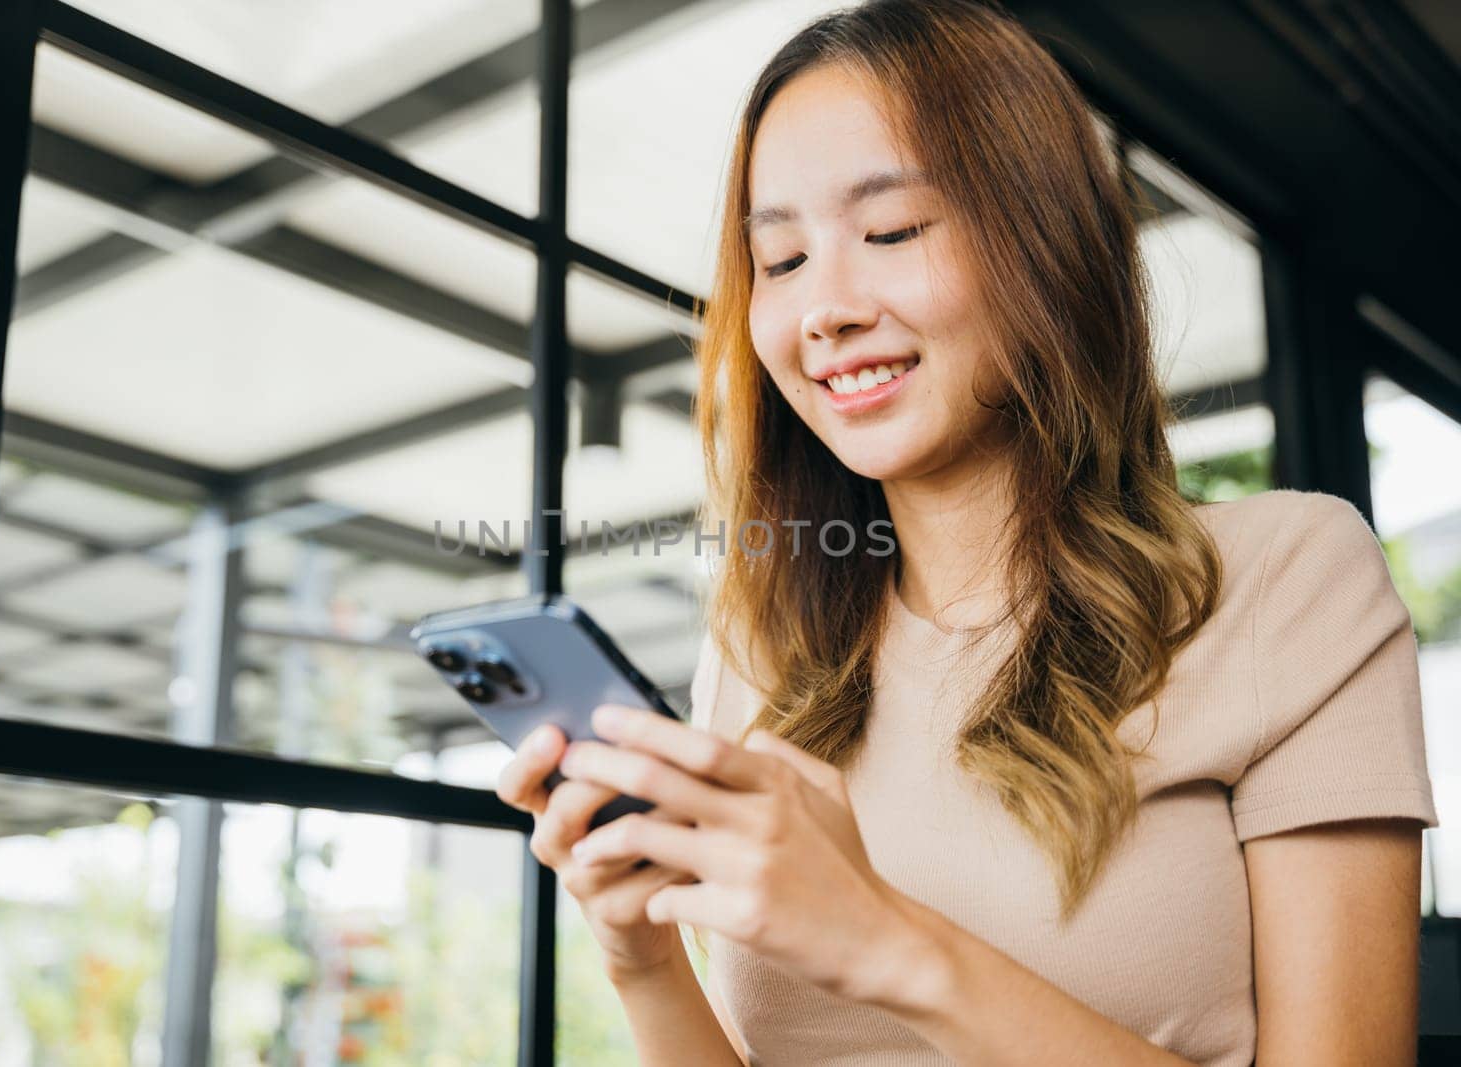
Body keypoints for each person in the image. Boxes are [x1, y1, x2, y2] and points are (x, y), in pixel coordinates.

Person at [495, 0, 1440, 1062]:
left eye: (890, 231)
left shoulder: (1288, 575)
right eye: (782, 259)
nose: (825, 308)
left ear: (1044, 242)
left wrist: (882, 938)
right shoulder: (763, 638)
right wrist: (640, 957)